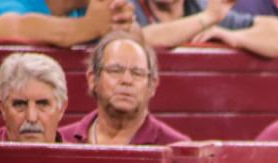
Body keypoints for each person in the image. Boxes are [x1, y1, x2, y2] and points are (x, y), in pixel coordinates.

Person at [60, 31, 190, 145]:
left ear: (152, 85)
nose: (127, 80)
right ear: (93, 79)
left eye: (137, 73)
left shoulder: (175, 147)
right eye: (115, 70)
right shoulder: (61, 141)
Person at [130, 0, 278, 57]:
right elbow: (137, 39)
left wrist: (233, 37)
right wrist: (208, 18)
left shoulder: (201, 7)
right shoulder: (127, 7)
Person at [0, 0, 135, 46]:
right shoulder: (8, 2)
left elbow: (135, 36)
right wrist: (88, 27)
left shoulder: (87, 10)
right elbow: (4, 28)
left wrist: (118, 19)